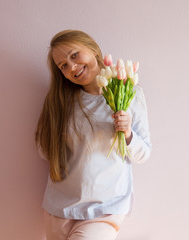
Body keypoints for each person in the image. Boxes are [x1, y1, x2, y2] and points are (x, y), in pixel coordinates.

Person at [35, 29, 151, 240]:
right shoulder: (61, 101)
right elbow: (44, 150)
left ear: (92, 48)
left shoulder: (130, 94)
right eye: (63, 65)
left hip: (105, 209)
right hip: (59, 208)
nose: (71, 66)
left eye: (74, 55)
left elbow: (143, 153)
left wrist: (127, 134)